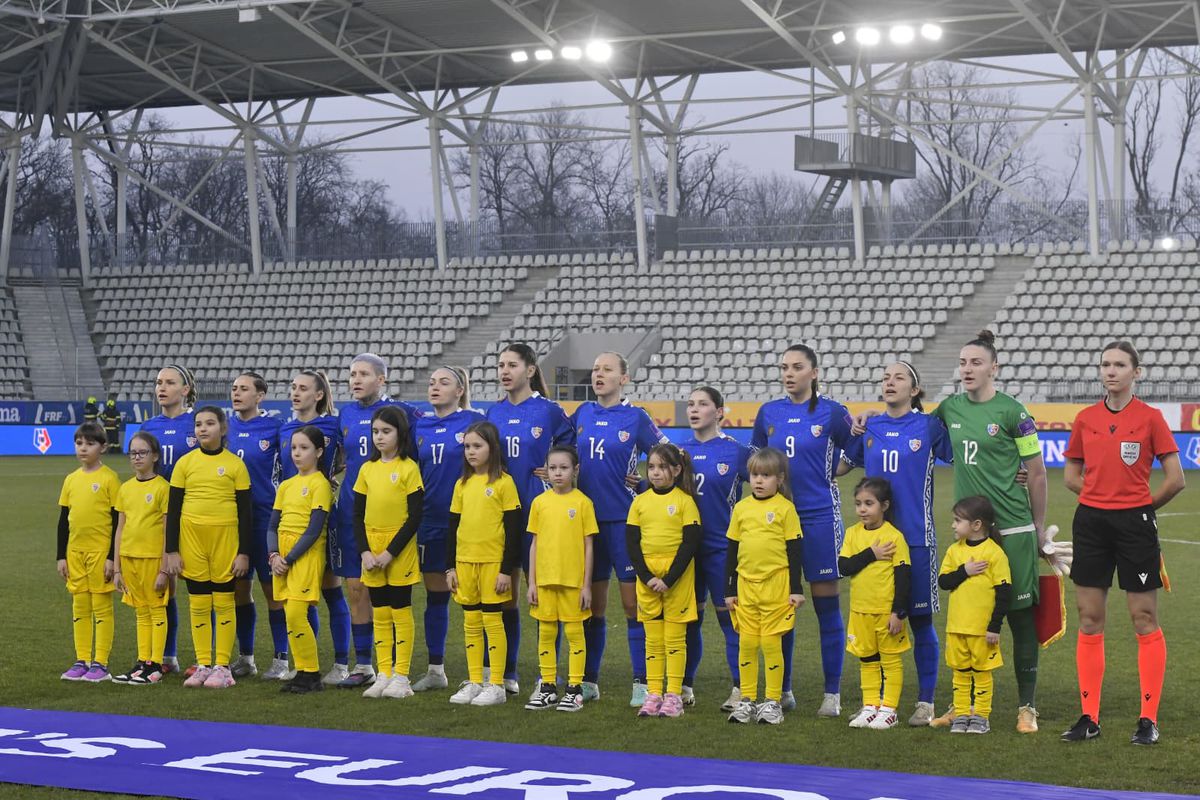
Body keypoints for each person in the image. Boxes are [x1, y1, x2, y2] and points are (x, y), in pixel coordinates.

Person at [1060, 341, 1185, 746]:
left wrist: (1140, 507)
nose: (1110, 371)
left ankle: (1148, 719)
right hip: (1091, 523)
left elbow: (1175, 478)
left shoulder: (1150, 418)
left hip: (1135, 525)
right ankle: (1088, 718)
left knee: (1144, 618)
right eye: (1105, 364)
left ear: (1137, 372)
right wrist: (1098, 497)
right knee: (1090, 618)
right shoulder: (1085, 418)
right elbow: (1071, 474)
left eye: (1119, 365)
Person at [930, 330, 1049, 733]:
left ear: (994, 367)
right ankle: (962, 703)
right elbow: (917, 430)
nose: (967, 369)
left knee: (1018, 617)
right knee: (968, 617)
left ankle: (1027, 706)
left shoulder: (1014, 412)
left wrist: (1038, 527)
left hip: (1013, 529)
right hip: (970, 534)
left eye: (976, 362)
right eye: (963, 363)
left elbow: (1036, 471)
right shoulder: (949, 408)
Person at [839, 362, 953, 726]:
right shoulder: (870, 425)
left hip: (916, 539)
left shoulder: (929, 426)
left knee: (918, 620)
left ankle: (925, 701)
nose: (889, 382)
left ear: (915, 390)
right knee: (873, 621)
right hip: (873, 540)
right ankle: (876, 703)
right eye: (885, 377)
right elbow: (841, 466)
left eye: (898, 377)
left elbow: (966, 457)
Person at [751, 344, 854, 715]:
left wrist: (838, 469)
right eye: (784, 367)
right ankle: (783, 690)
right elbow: (757, 460)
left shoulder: (832, 412)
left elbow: (855, 447)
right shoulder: (769, 413)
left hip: (819, 518)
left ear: (813, 372)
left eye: (797, 367)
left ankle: (832, 694)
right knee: (783, 608)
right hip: (777, 522)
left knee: (827, 605)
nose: (789, 373)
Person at [571, 352, 667, 705]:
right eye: (595, 369)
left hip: (625, 525)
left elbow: (670, 458)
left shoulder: (636, 417)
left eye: (607, 369)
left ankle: (642, 682)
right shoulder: (582, 413)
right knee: (591, 606)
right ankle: (588, 681)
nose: (599, 374)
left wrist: (645, 484)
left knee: (632, 606)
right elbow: (562, 452)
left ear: (623, 379)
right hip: (586, 526)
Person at [486, 343, 574, 693]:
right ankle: (506, 675)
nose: (504, 371)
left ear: (531, 370)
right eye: (500, 365)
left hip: (541, 514)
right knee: (504, 593)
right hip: (500, 517)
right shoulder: (492, 413)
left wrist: (553, 467)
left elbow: (570, 451)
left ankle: (546, 676)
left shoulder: (549, 411)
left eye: (512, 365)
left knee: (542, 596)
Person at [333, 353, 423, 689]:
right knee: (357, 590)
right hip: (355, 516)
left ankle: (398, 671)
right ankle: (367, 665)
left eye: (364, 374)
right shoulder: (344, 413)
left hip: (394, 523)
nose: (355, 380)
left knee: (394, 601)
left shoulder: (402, 414)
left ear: (382, 379)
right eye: (352, 374)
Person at [163, 405, 252, 689]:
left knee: (224, 602)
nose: (203, 428)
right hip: (192, 540)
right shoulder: (184, 464)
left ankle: (223, 667)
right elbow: (173, 511)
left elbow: (246, 514)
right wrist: (172, 550)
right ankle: (203, 664)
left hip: (226, 540)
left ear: (223, 429)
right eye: (199, 424)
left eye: (210, 423)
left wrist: (244, 552)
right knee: (199, 602)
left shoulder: (236, 465)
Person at [680, 386, 751, 711]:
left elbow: (770, 480)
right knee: (687, 621)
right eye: (691, 404)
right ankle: (683, 686)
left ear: (720, 412)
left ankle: (741, 689)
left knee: (730, 622)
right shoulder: (678, 453)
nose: (694, 409)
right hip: (685, 552)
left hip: (722, 550)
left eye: (703, 404)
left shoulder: (737, 452)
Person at [412, 366, 482, 692]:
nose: (435, 387)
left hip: (468, 523)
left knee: (474, 600)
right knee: (436, 597)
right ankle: (436, 670)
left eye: (444, 382)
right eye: (431, 382)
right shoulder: (419, 425)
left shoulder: (474, 422)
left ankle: (484, 674)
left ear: (460, 390)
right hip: (429, 522)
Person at [278, 368, 350, 685]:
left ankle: (342, 663)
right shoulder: (287, 428)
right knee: (299, 596)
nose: (296, 392)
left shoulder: (333, 425)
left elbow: (351, 458)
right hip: (293, 513)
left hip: (323, 517)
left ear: (318, 395)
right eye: (293, 387)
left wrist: (336, 480)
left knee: (331, 590)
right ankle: (306, 662)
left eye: (303, 388)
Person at [724, 447, 803, 726]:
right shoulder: (741, 508)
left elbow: (795, 551)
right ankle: (746, 700)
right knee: (746, 644)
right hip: (746, 586)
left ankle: (772, 702)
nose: (758, 480)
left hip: (776, 587)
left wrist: (796, 589)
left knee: (771, 645)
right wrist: (729, 589)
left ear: (779, 479)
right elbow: (731, 552)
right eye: (755, 474)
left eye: (766, 475)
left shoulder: (785, 509)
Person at [446, 421, 523, 707]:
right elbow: (452, 527)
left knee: (493, 621)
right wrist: (450, 567)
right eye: (467, 446)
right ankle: (475, 681)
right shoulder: (461, 484)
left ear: (493, 448)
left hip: (493, 564)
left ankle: (497, 684)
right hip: (465, 563)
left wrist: (506, 569)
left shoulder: (504, 482)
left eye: (477, 446)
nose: (471, 451)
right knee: (471, 623)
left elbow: (514, 530)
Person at [353, 406, 425, 700]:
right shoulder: (367, 469)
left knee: (400, 611)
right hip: (372, 549)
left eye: (386, 431)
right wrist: (365, 552)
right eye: (375, 432)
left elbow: (415, 517)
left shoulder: (408, 468)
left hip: (399, 550)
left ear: (400, 434)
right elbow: (357, 516)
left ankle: (401, 676)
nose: (379, 437)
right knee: (379, 613)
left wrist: (390, 553)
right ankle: (383, 673)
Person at [626, 443, 702, 719]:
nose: (655, 473)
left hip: (677, 579)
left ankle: (673, 695)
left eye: (661, 467)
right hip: (647, 579)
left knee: (674, 639)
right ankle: (654, 693)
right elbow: (632, 543)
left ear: (677, 470)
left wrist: (669, 579)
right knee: (653, 640)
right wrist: (646, 577)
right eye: (652, 467)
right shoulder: (640, 502)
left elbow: (690, 544)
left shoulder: (685, 501)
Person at [525, 445, 598, 712]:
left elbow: (589, 546)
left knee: (574, 634)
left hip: (573, 583)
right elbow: (534, 544)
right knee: (546, 633)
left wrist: (586, 585)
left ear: (575, 470)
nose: (557, 473)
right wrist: (532, 582)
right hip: (544, 581)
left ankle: (575, 689)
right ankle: (547, 687)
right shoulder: (539, 502)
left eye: (563, 468)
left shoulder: (582, 503)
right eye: (553, 468)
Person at [838, 478, 911, 730]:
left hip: (885, 614)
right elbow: (844, 566)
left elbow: (903, 577)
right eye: (858, 503)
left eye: (869, 503)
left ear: (884, 505)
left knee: (890, 662)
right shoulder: (852, 533)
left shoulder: (893, 537)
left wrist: (898, 613)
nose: (862, 509)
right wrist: (872, 553)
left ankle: (889, 709)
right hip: (859, 611)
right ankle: (871, 706)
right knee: (867, 661)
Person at [140, 363, 199, 673]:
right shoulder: (149, 426)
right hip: (159, 516)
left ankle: (209, 659)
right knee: (166, 586)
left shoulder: (199, 424)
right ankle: (168, 657)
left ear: (185, 390)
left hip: (195, 514)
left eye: (169, 382)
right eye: (158, 382)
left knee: (202, 586)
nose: (161, 387)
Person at [268, 425, 334, 694]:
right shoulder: (286, 485)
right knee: (289, 615)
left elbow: (314, 529)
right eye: (294, 447)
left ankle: (312, 673)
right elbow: (272, 525)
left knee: (296, 613)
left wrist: (290, 557)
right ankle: (302, 673)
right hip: (281, 556)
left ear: (318, 451)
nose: (297, 453)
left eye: (304, 448)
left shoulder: (320, 484)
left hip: (305, 555)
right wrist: (273, 555)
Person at [938, 496, 1012, 735]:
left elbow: (1004, 593)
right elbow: (944, 582)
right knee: (959, 675)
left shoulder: (994, 553)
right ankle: (961, 715)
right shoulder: (953, 551)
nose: (953, 525)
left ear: (977, 525)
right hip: (956, 627)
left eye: (958, 520)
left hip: (982, 630)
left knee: (981, 674)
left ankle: (981, 716)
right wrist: (965, 571)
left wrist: (994, 627)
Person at [228, 372, 285, 681]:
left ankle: (281, 658)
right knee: (238, 588)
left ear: (260, 395)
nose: (237, 393)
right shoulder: (226, 428)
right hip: (232, 519)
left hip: (265, 517)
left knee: (272, 590)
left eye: (244, 389)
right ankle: (245, 657)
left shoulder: (274, 429)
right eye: (234, 389)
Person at [56, 421, 121, 682]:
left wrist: (110, 558)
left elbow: (117, 522)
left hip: (99, 554)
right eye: (79, 443)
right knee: (80, 607)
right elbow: (63, 521)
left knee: (101, 608)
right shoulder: (71, 479)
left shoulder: (109, 479)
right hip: (75, 554)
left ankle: (100, 663)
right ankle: (81, 660)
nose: (83, 448)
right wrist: (61, 556)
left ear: (103, 447)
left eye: (90, 443)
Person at [111, 431, 171, 685]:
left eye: (142, 452)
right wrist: (116, 567)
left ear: (155, 456)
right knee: (140, 612)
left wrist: (165, 569)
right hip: (130, 558)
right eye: (132, 453)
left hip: (153, 560)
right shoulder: (125, 488)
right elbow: (120, 529)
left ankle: (156, 664)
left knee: (156, 610)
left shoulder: (163, 488)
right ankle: (142, 661)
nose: (136, 457)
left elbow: (169, 532)